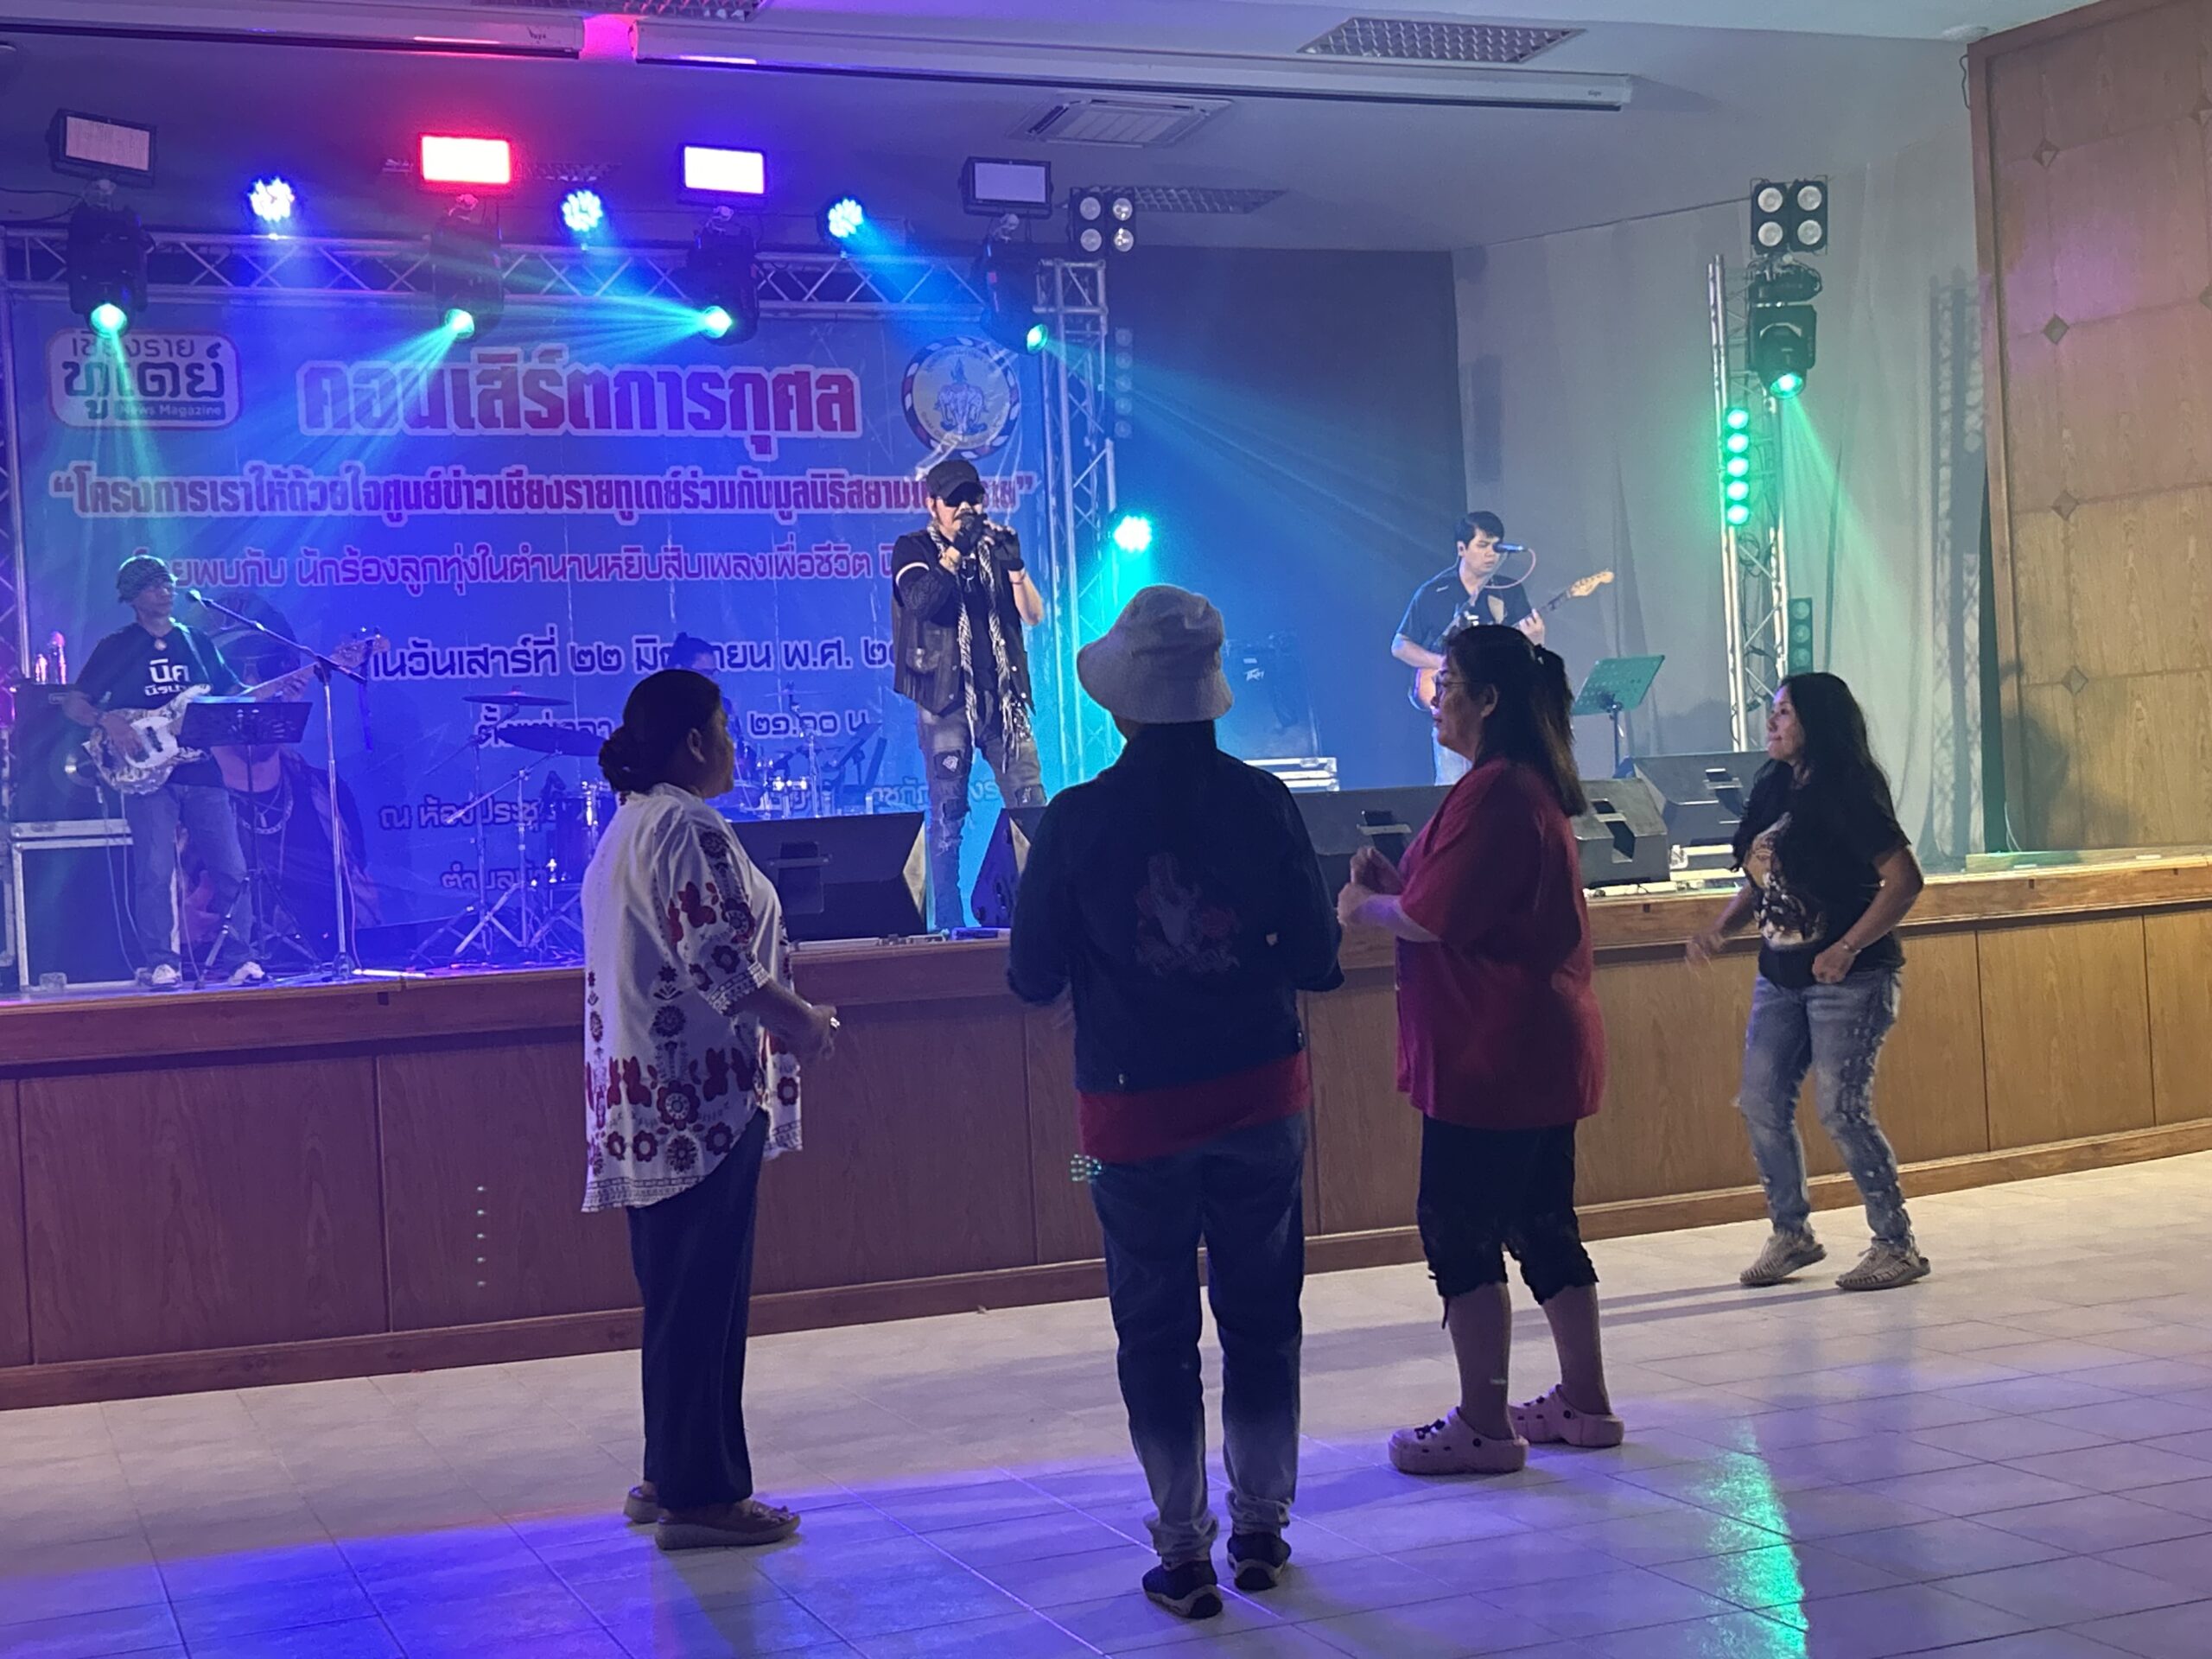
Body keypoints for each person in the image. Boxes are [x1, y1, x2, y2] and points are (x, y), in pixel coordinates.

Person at [1007, 586, 1342, 1621]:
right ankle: (1262, 1529)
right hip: (1262, 1099)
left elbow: (1029, 975)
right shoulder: (1265, 803)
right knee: (1263, 1315)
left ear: (1121, 705)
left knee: (1152, 1327)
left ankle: (1182, 1551)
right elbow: (1319, 962)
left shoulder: (1077, 820)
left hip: (1126, 1119)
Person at [1338, 625, 1622, 1476]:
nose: (1436, 696)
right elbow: (1457, 905)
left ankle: (1484, 1423)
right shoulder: (1518, 786)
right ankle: (1582, 1402)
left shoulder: (1497, 792)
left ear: (1489, 700)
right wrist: (1400, 889)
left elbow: (1436, 921)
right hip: (1530, 1043)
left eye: (1451, 683)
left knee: (1459, 1228)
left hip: (1490, 1051)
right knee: (1541, 1223)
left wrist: (1363, 908)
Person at [582, 669, 839, 1551]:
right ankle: (702, 1495)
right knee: (704, 1300)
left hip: (648, 1100)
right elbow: (721, 961)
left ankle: (670, 1471)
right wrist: (803, 1022)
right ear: (694, 742)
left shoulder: (632, 824)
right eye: (725, 729)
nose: (734, 745)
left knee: (679, 1296)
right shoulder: (686, 825)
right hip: (698, 1100)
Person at [1688, 674, 1930, 1293]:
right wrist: (1719, 929)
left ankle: (1896, 1243)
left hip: (1850, 978)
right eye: (1772, 712)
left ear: (1817, 722)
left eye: (1785, 713)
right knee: (1761, 1100)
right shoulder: (1774, 784)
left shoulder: (1849, 788)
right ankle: (1791, 1232)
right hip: (1780, 975)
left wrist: (1849, 947)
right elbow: (1763, 878)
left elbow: (1904, 880)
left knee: (1841, 1111)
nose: (1772, 723)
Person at [61, 554, 263, 988]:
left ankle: (241, 959)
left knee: (231, 867)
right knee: (155, 871)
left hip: (200, 768)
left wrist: (274, 691)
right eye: (154, 586)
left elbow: (232, 693)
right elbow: (75, 703)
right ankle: (161, 962)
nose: (166, 591)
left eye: (168, 584)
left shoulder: (196, 642)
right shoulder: (117, 646)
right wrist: (108, 720)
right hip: (145, 773)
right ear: (133, 597)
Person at [891, 455, 1046, 927]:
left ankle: (1038, 914)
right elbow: (922, 603)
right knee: (949, 819)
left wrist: (1016, 567)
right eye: (953, 500)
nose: (964, 509)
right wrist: (956, 552)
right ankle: (949, 922)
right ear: (932, 505)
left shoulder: (995, 548)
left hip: (1001, 700)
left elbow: (1033, 614)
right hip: (945, 702)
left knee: (1031, 808)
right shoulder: (913, 548)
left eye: (972, 499)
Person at [1392, 512, 1543, 785]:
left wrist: (1535, 640)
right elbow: (1400, 645)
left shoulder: (1509, 591)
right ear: (1461, 548)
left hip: (1499, 707)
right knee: (1453, 785)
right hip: (1454, 707)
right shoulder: (1435, 592)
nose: (1491, 554)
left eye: (1496, 546)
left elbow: (1521, 652)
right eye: (1483, 545)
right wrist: (1443, 663)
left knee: (1505, 783)